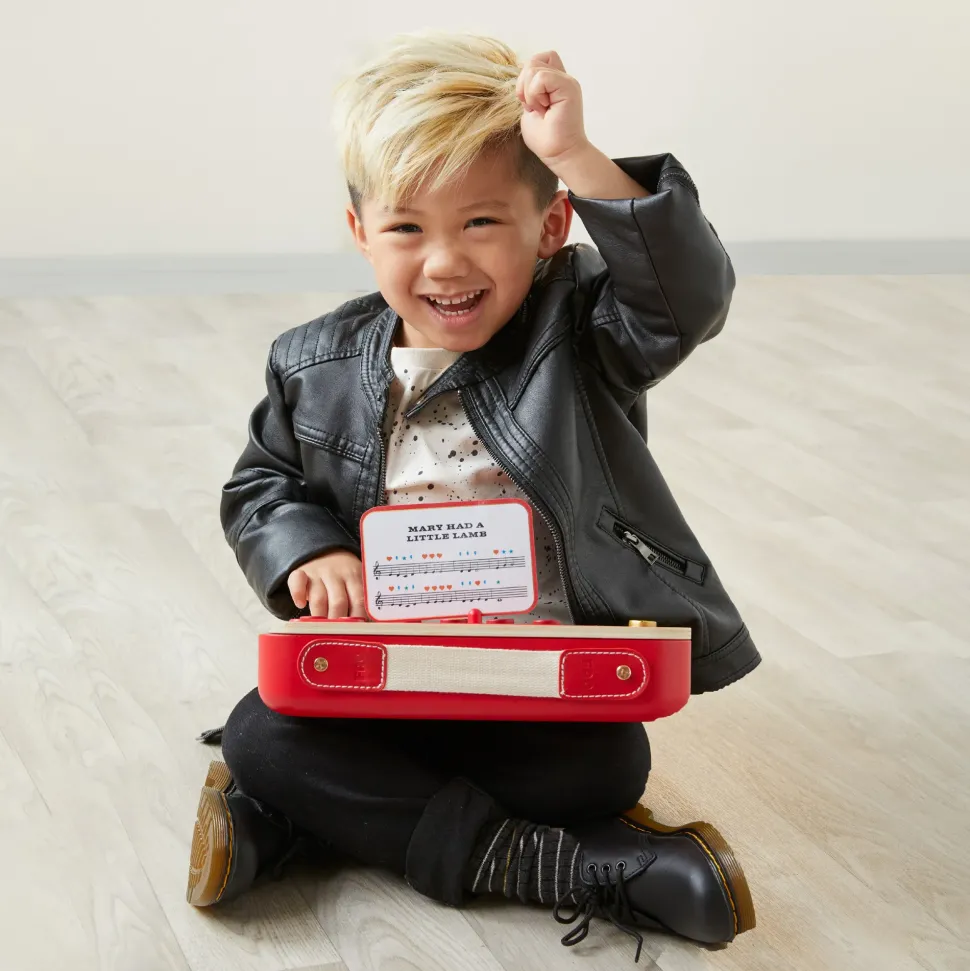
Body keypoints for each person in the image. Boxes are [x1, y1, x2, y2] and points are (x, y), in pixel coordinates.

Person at [186, 32, 760, 962]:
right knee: (263, 733)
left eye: (482, 223)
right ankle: (547, 867)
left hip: (530, 680)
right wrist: (309, 548)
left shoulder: (583, 334)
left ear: (550, 226)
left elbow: (683, 296)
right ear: (360, 232)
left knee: (611, 765)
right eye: (408, 228)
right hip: (384, 677)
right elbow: (262, 483)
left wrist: (575, 153)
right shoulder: (312, 362)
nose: (445, 262)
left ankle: (300, 829)